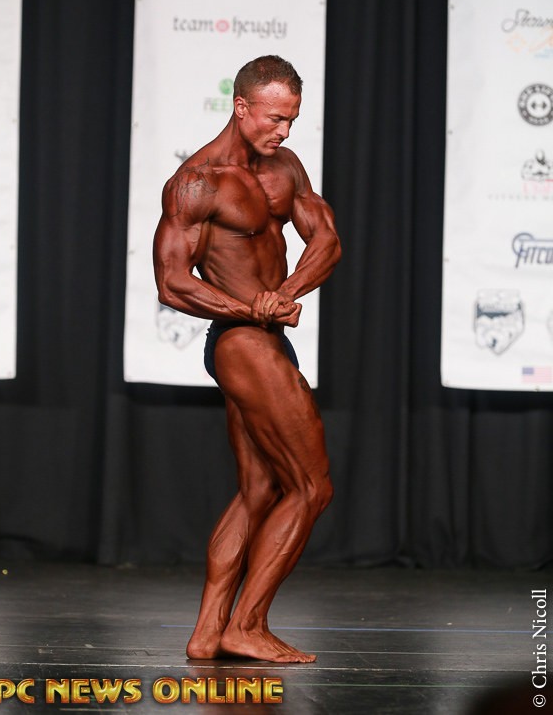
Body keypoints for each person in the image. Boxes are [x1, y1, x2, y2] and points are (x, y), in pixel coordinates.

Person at [153, 55, 341, 663]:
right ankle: (248, 625)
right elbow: (172, 282)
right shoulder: (198, 182)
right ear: (241, 107)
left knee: (260, 490)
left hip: (264, 334)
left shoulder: (286, 168)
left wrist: (283, 295)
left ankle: (209, 632)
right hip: (240, 341)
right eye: (274, 118)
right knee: (311, 487)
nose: (283, 131)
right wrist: (250, 310)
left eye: (291, 120)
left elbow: (326, 239)